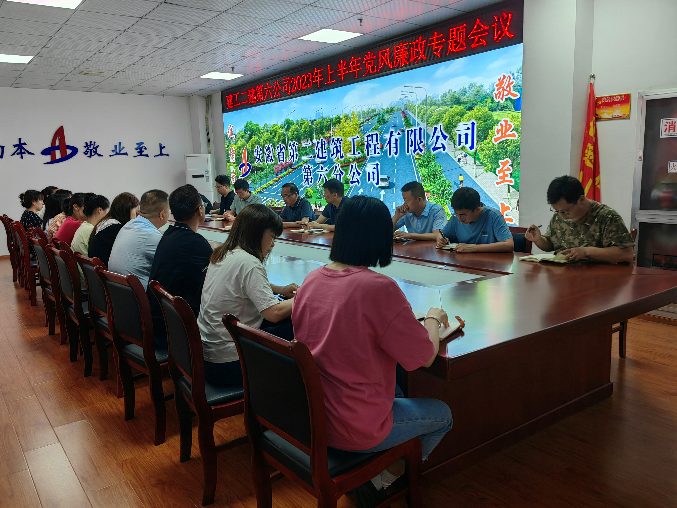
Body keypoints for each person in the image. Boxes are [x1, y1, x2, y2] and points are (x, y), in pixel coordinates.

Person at [293, 196, 452, 507]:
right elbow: (425, 357)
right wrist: (433, 319)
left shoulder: (311, 280)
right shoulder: (378, 288)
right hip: (356, 426)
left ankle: (373, 470)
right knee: (443, 415)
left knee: (397, 388)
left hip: (312, 416)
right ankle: (379, 481)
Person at [198, 204, 298, 387]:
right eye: (272, 237)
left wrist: (280, 289)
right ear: (257, 233)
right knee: (296, 329)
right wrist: (305, 295)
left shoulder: (223, 254)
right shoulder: (249, 263)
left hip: (207, 355)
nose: (273, 244)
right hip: (230, 363)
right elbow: (273, 313)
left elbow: (243, 285)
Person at [147, 185, 212, 348]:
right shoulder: (197, 244)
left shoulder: (168, 235)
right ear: (200, 210)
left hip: (158, 324)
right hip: (177, 332)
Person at [525, 176, 635, 264]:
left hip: (597, 279)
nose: (562, 215)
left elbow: (627, 254)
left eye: (565, 211)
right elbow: (550, 245)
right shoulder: (559, 216)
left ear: (581, 200)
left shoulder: (606, 217)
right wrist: (538, 239)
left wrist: (586, 252)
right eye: (557, 211)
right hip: (562, 277)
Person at [108, 190, 169, 289]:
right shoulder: (151, 235)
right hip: (138, 296)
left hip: (118, 292)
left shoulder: (128, 225)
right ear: (162, 214)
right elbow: (172, 262)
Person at [436, 187, 514, 252]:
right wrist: (440, 239)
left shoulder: (494, 216)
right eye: (456, 214)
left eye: (463, 215)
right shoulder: (455, 217)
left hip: (490, 262)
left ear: (477, 210)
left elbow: (509, 245)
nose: (459, 218)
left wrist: (473, 248)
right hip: (463, 262)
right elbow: (442, 234)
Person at [88, 192, 140, 267]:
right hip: (106, 271)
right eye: (136, 213)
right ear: (127, 210)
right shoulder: (116, 229)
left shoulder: (106, 223)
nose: (136, 218)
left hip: (97, 271)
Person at [71, 195, 110, 288]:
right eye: (108, 213)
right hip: (90, 283)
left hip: (82, 279)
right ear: (100, 210)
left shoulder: (84, 226)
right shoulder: (92, 231)